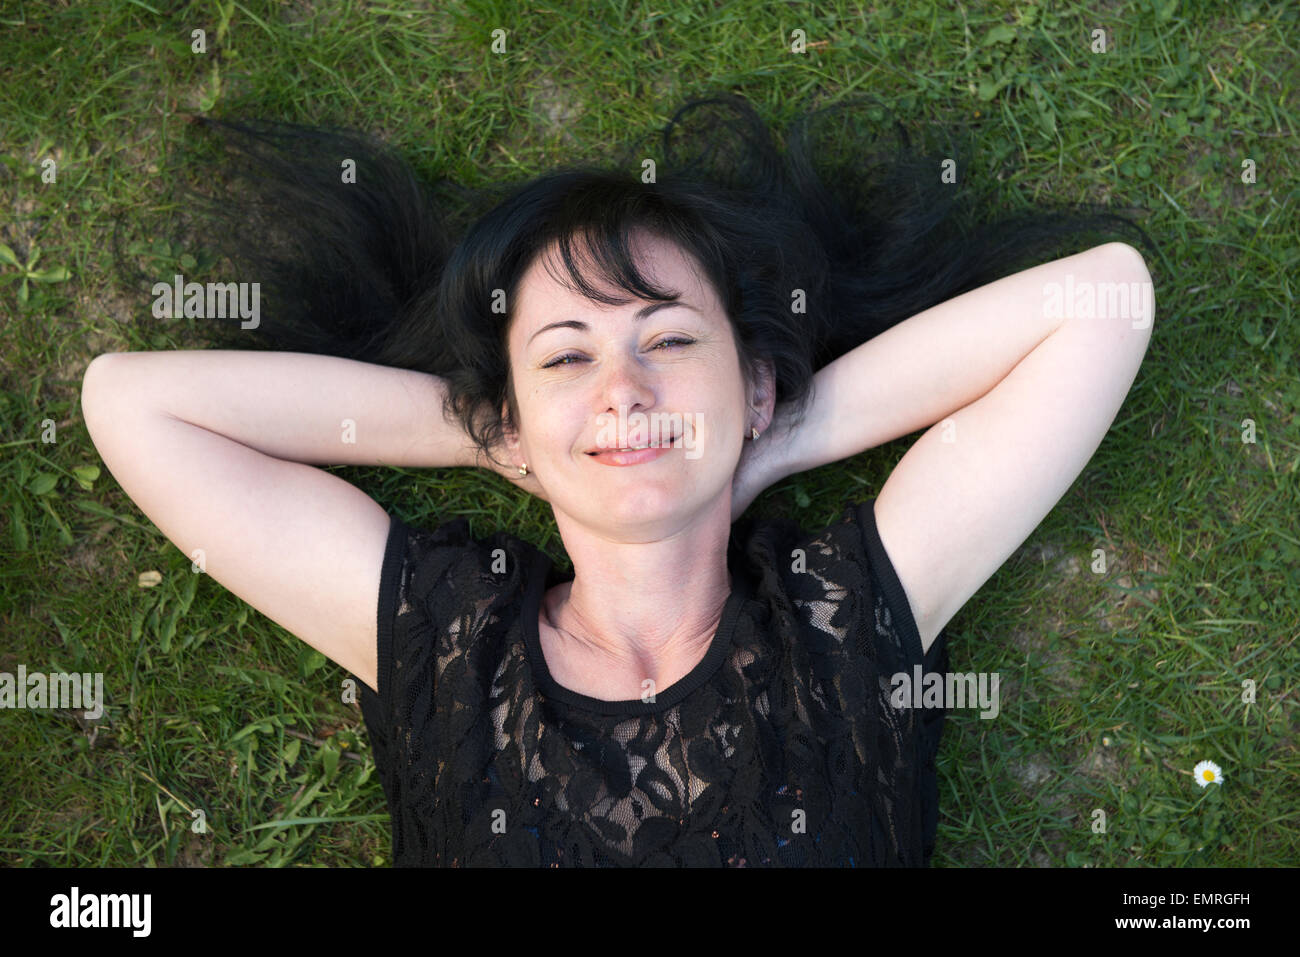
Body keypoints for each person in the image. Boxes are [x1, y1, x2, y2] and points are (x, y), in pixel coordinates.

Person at [89, 94, 1156, 866]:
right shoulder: (446, 640)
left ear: (754, 384)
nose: (623, 391)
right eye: (565, 355)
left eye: (669, 341)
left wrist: (748, 438)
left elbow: (1102, 300)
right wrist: (506, 435)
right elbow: (134, 402)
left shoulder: (842, 623)